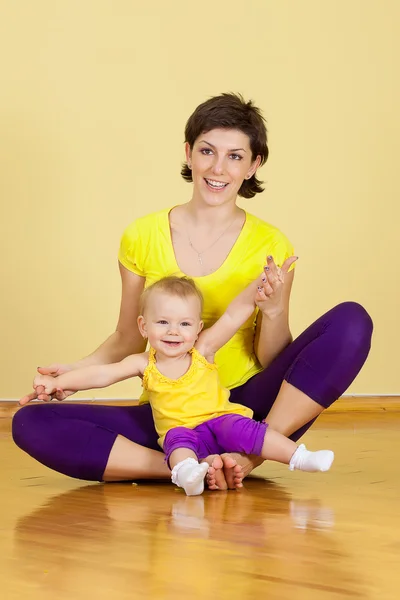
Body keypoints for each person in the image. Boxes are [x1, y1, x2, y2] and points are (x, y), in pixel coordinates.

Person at [13, 92, 372, 490]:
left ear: (254, 165)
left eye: (235, 156)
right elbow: (127, 338)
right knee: (30, 423)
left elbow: (274, 358)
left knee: (352, 321)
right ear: (188, 153)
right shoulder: (142, 235)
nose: (218, 168)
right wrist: (72, 373)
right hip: (171, 416)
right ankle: (184, 468)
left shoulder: (272, 245)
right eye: (207, 151)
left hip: (248, 413)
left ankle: (247, 456)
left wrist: (271, 311)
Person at [32, 276, 335, 496]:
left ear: (198, 329)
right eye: (163, 323)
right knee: (177, 447)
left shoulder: (202, 351)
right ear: (144, 326)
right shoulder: (143, 363)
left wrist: (260, 285)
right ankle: (189, 475)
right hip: (182, 432)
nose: (174, 332)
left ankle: (299, 456)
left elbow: (233, 315)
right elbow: (100, 375)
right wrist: (58, 381)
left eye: (185, 324)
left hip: (221, 420)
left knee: (252, 432)